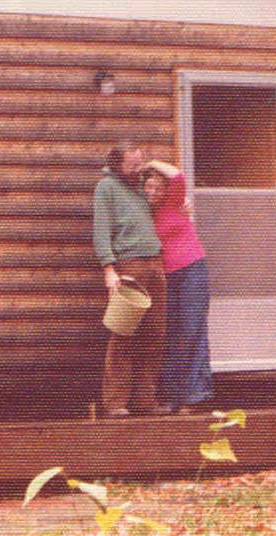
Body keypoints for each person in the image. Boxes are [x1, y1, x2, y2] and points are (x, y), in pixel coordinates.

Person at [92, 142, 168, 417]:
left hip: (155, 263)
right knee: (124, 332)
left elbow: (175, 179)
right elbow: (101, 231)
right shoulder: (106, 188)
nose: (138, 169)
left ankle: (145, 401)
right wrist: (109, 270)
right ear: (116, 165)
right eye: (132, 165)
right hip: (128, 266)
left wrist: (149, 167)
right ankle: (115, 403)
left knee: (154, 333)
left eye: (140, 164)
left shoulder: (142, 187)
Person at [142, 159, 214, 414]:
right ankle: (171, 397)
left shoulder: (175, 201)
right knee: (169, 334)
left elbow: (177, 175)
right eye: (148, 187)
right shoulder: (143, 211)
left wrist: (148, 163)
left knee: (193, 330)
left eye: (158, 188)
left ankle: (195, 396)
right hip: (165, 277)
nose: (153, 192)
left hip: (192, 270)